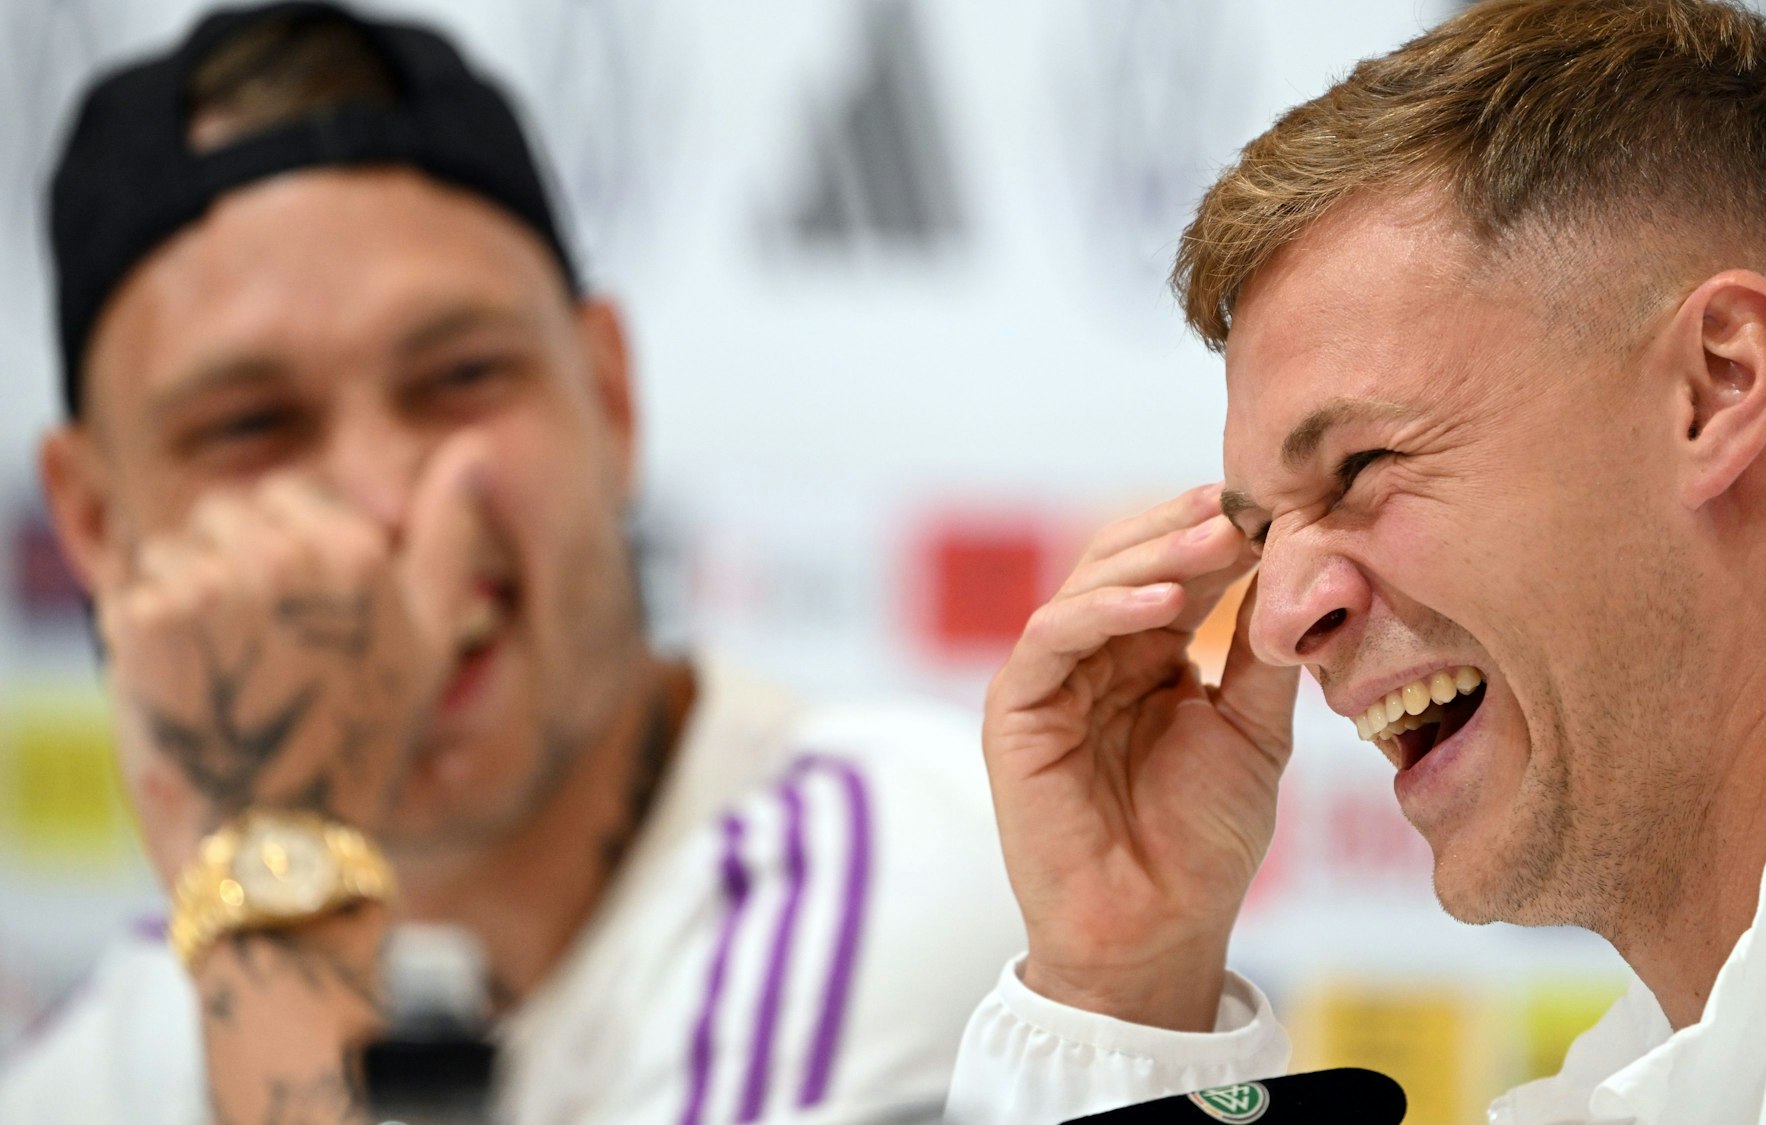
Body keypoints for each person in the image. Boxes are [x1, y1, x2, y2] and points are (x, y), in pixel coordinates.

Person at [946, 0, 1766, 1121]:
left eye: (1359, 465)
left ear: (1713, 388)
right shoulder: (1635, 1084)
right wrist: (1124, 977)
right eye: (1259, 535)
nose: (1273, 619)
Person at [0, 3, 1021, 1122]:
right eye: (253, 425)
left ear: (611, 398)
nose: (385, 502)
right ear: (95, 524)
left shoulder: (913, 885)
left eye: (460, 376)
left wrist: (277, 869)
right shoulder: (115, 1053)